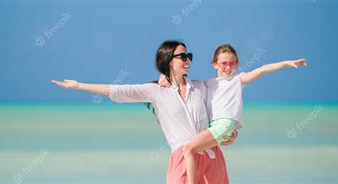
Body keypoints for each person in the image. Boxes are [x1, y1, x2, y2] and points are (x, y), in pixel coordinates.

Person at [51, 40, 237, 184]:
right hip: (182, 158)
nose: (187, 60)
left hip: (212, 156)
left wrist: (231, 133)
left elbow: (219, 115)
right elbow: (116, 90)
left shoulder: (201, 87)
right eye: (182, 56)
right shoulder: (155, 92)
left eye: (188, 55)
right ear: (168, 61)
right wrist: (78, 85)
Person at [158, 44, 307, 184]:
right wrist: (164, 76)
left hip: (225, 124)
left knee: (189, 149)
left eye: (232, 63)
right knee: (192, 150)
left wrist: (286, 63)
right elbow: (182, 83)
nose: (228, 67)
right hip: (214, 126)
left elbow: (262, 69)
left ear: (237, 64)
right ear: (215, 64)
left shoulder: (238, 80)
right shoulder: (207, 84)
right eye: (224, 63)